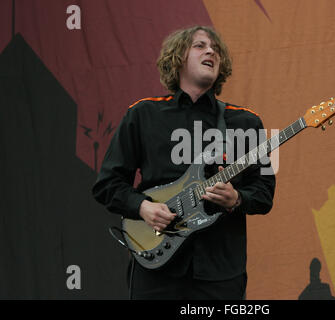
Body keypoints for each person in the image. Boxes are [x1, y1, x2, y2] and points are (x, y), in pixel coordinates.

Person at [92, 25, 276, 300]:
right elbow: (107, 184)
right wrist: (143, 207)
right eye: (200, 45)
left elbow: (264, 193)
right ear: (178, 58)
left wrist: (237, 198)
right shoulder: (143, 114)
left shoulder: (247, 123)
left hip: (221, 272)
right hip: (156, 270)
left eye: (215, 48)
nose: (211, 51)